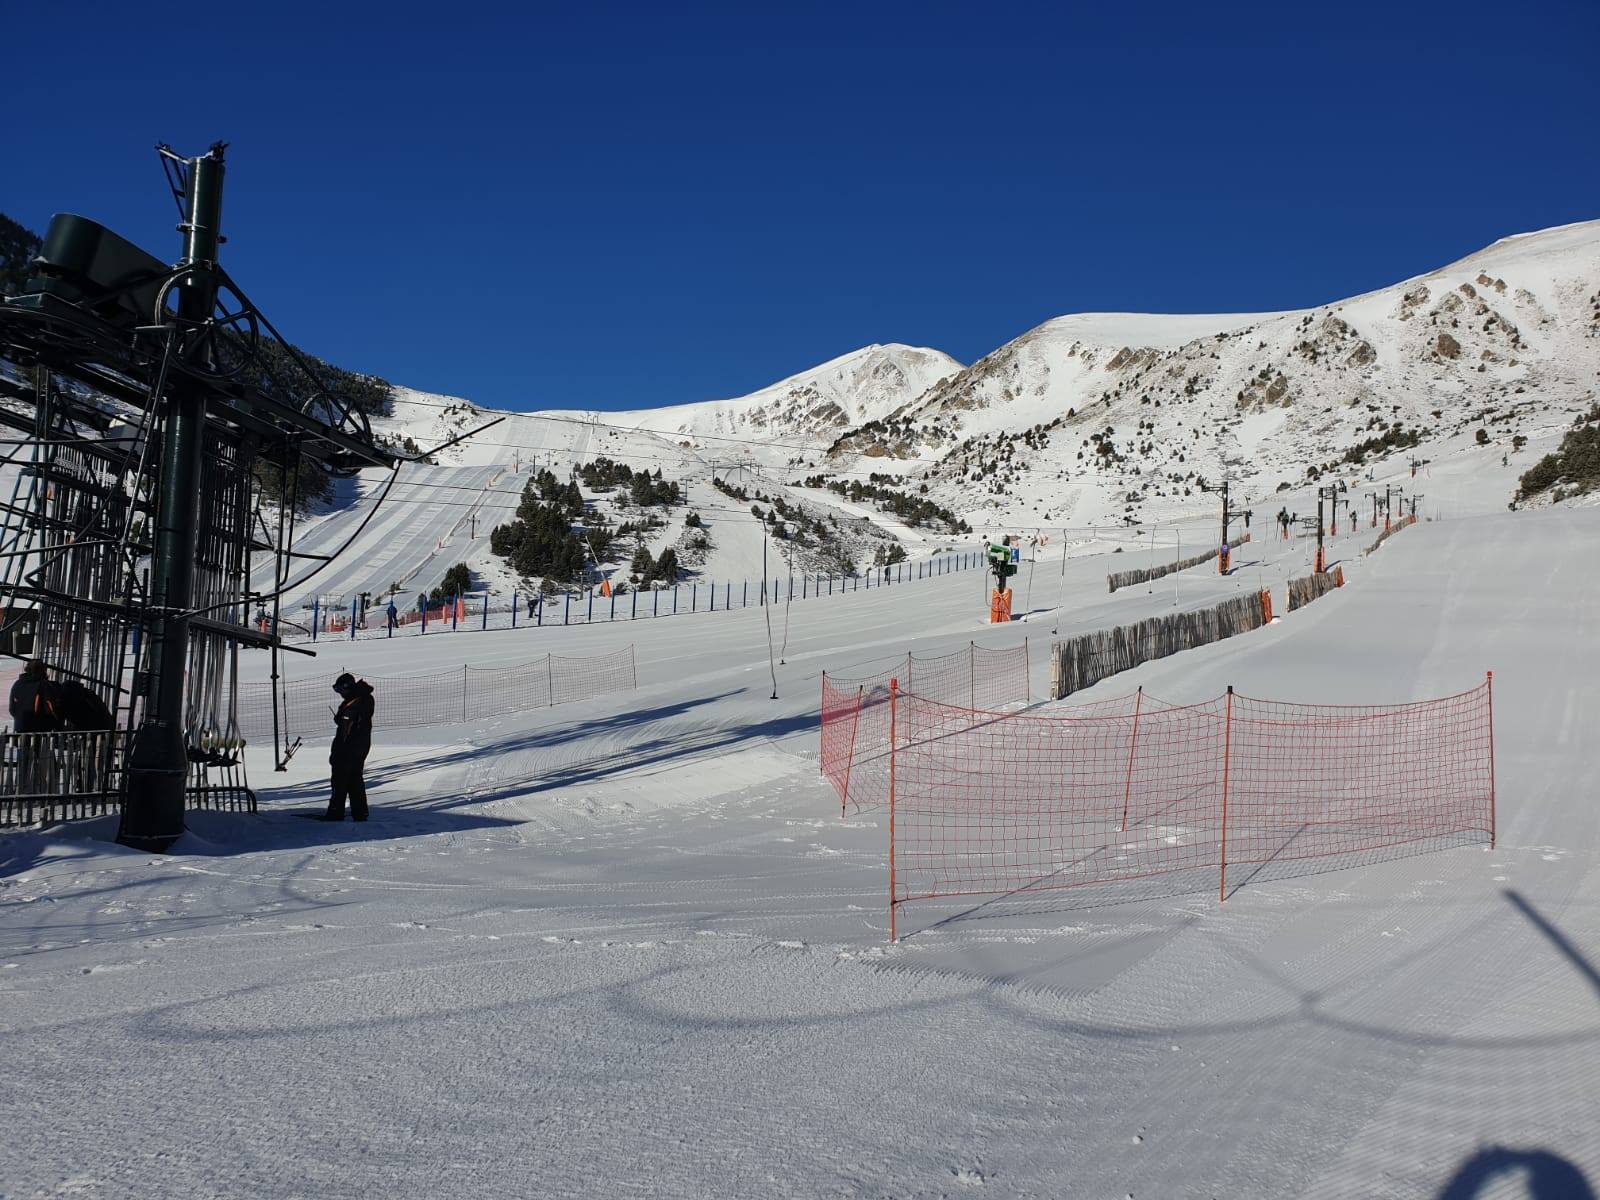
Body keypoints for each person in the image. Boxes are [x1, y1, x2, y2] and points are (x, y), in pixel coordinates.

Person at [321, 672, 375, 822]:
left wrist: (337, 753)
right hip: (361, 746)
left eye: (340, 691)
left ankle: (336, 812)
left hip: (349, 748)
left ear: (348, 688)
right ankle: (360, 812)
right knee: (355, 778)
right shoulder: (363, 698)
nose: (340, 694)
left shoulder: (354, 702)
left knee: (340, 779)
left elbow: (346, 728)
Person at [8, 660, 61, 732]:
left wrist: (19, 717)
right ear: (41, 671)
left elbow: (11, 709)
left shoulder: (17, 683)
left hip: (19, 726)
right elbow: (50, 707)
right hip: (38, 727)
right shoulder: (43, 684)